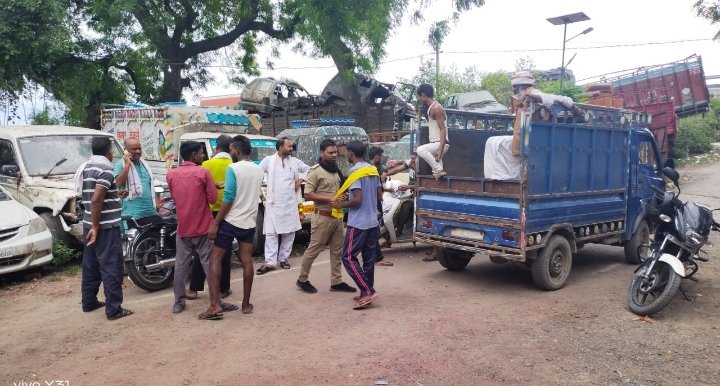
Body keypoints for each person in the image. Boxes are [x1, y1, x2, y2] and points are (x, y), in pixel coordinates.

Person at [203, 135, 264, 319]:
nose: (229, 152)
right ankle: (246, 304)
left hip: (230, 221)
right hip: (248, 222)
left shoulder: (233, 168)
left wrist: (215, 222)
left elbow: (228, 198)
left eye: (231, 149)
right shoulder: (258, 170)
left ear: (236, 150)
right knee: (247, 261)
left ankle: (214, 305)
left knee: (215, 259)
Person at [76, 137, 133, 320]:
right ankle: (114, 309)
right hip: (104, 226)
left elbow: (96, 193)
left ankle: (89, 301)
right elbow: (96, 199)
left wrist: (115, 194)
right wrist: (96, 226)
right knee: (111, 266)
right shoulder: (105, 169)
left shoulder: (88, 167)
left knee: (91, 264)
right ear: (108, 150)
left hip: (89, 224)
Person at [295, 139, 357, 294]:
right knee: (314, 249)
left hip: (336, 217)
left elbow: (340, 189)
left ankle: (336, 281)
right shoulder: (315, 171)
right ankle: (302, 279)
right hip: (322, 217)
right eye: (330, 152)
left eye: (335, 152)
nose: (334, 155)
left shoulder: (336, 170)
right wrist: (331, 198)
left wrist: (344, 196)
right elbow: (308, 193)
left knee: (337, 251)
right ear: (321, 153)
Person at [166, 141, 219, 315]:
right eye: (201, 153)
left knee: (181, 265)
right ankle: (215, 301)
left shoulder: (171, 175)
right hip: (203, 226)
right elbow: (212, 199)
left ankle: (178, 301)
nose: (203, 156)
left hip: (184, 226)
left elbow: (176, 196)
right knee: (209, 264)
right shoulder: (203, 172)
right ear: (194, 155)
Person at [331, 141, 382, 309]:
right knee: (368, 259)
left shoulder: (354, 172)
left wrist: (341, 205)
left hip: (358, 223)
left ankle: (367, 291)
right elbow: (379, 196)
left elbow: (357, 200)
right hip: (372, 221)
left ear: (351, 153)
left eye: (347, 152)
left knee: (347, 257)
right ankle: (365, 292)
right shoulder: (372, 170)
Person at [186, 134, 233, 301]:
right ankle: (223, 289)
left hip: (208, 213)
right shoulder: (235, 165)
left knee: (203, 251)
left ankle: (193, 289)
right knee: (224, 252)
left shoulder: (206, 164)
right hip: (228, 213)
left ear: (216, 148)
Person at [256, 137, 309, 275]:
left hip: (290, 202)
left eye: (292, 146)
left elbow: (309, 169)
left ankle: (284, 259)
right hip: (273, 203)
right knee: (271, 233)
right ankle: (270, 262)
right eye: (289, 146)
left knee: (289, 232)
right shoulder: (268, 161)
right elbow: (256, 173)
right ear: (279, 147)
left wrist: (300, 180)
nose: (291, 148)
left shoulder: (295, 162)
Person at [113, 137, 157, 222]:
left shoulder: (145, 165)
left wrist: (156, 202)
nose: (138, 151)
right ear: (126, 151)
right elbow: (117, 184)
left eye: (139, 148)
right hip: (131, 215)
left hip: (150, 212)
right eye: (134, 149)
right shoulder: (120, 165)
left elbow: (150, 185)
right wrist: (127, 165)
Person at [415, 83, 449, 180]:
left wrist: (440, 149)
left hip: (440, 143)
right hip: (437, 143)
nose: (420, 99)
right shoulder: (432, 108)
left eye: (420, 97)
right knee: (437, 177)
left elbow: (443, 129)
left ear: (423, 95)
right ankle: (438, 171)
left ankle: (438, 170)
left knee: (420, 150)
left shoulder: (436, 108)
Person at [368, 146, 393, 266]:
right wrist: (377, 206)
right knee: (372, 231)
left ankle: (377, 257)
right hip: (373, 204)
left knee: (373, 231)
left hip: (373, 203)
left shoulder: (374, 168)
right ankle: (375, 258)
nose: (381, 158)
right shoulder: (372, 169)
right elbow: (376, 188)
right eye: (380, 156)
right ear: (377, 156)